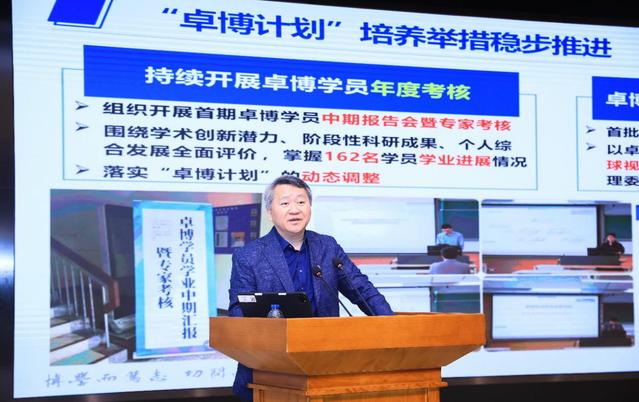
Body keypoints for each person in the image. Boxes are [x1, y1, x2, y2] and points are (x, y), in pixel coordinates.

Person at [228, 175, 393, 401]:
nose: (294, 209)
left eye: (301, 202)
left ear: (310, 207)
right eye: (285, 203)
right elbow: (238, 310)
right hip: (268, 372)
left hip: (324, 368)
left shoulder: (327, 246)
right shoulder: (249, 255)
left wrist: (394, 326)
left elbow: (362, 290)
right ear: (269, 212)